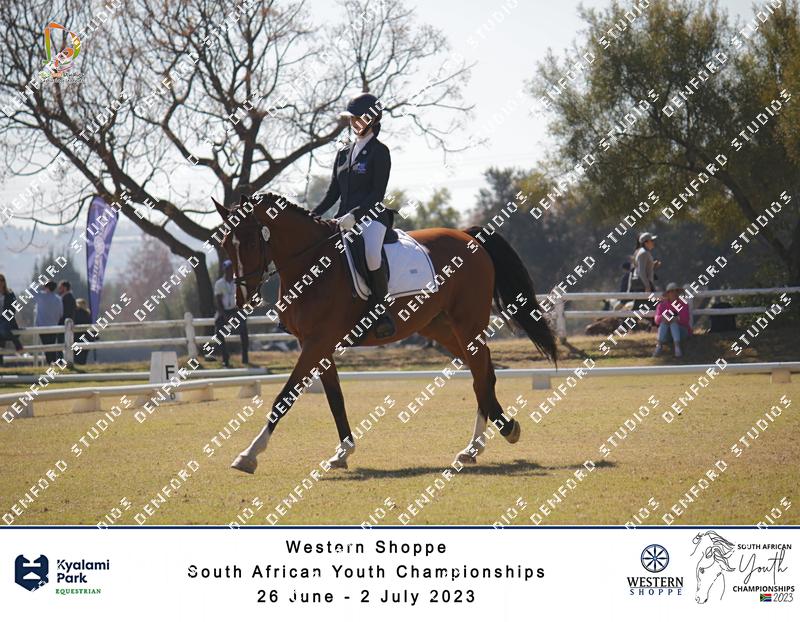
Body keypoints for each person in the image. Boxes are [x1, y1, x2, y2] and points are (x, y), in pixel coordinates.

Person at [312, 92, 395, 338]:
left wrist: (355, 215)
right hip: (342, 220)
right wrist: (312, 215)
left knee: (371, 255)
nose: (354, 122)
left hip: (372, 218)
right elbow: (332, 193)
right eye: (352, 118)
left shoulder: (380, 152)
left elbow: (377, 194)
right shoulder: (343, 153)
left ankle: (381, 312)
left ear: (372, 120)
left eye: (359, 118)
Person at [213, 259, 249, 368]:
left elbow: (242, 298)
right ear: (224, 270)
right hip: (224, 311)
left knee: (243, 329)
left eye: (231, 269)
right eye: (227, 269)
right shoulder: (219, 284)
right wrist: (224, 315)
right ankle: (225, 358)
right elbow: (218, 301)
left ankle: (245, 356)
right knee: (218, 333)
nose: (229, 271)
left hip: (235, 310)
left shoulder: (237, 282)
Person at [653, 282, 692, 358]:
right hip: (667, 333)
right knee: (664, 323)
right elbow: (657, 320)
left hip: (681, 332)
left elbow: (686, 320)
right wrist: (663, 317)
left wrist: (676, 319)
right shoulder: (661, 305)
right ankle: (659, 346)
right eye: (672, 291)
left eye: (676, 291)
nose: (674, 293)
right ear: (668, 294)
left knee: (673, 323)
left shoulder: (683, 304)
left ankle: (677, 347)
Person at [33, 281, 63, 363]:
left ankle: (50, 363)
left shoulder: (40, 296)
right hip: (54, 326)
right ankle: (54, 362)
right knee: (52, 345)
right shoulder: (58, 299)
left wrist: (39, 284)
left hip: (42, 326)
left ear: (46, 287)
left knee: (46, 346)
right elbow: (61, 313)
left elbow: (30, 290)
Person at [0, 273, 25, 364]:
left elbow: (13, 309)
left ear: (4, 282)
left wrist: (4, 317)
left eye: (1, 280)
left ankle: (17, 342)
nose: (0, 282)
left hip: (7, 320)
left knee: (2, 329)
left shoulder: (10, 294)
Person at [72, 298, 93, 365]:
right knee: (83, 357)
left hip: (76, 337)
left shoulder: (75, 313)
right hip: (86, 337)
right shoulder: (87, 313)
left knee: (76, 356)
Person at [56, 280, 76, 346]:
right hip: (67, 326)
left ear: (64, 288)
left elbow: (65, 314)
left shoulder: (67, 298)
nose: (58, 289)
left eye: (60, 287)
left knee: (61, 346)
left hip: (64, 326)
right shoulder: (69, 297)